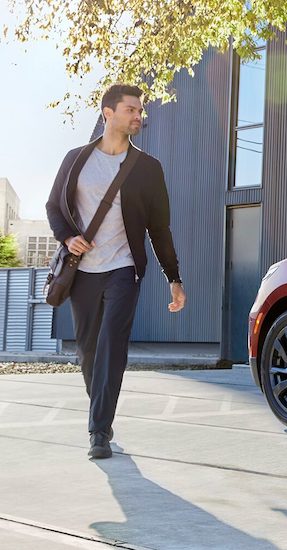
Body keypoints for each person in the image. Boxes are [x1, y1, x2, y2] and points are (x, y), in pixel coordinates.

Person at [46, 84, 186, 459]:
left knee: (111, 347)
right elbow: (54, 207)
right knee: (89, 352)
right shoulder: (76, 159)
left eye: (141, 111)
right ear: (108, 113)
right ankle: (101, 413)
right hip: (82, 272)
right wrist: (67, 238)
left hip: (123, 269)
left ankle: (98, 432)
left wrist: (174, 277)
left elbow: (160, 228)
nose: (138, 116)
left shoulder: (148, 168)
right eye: (131, 110)